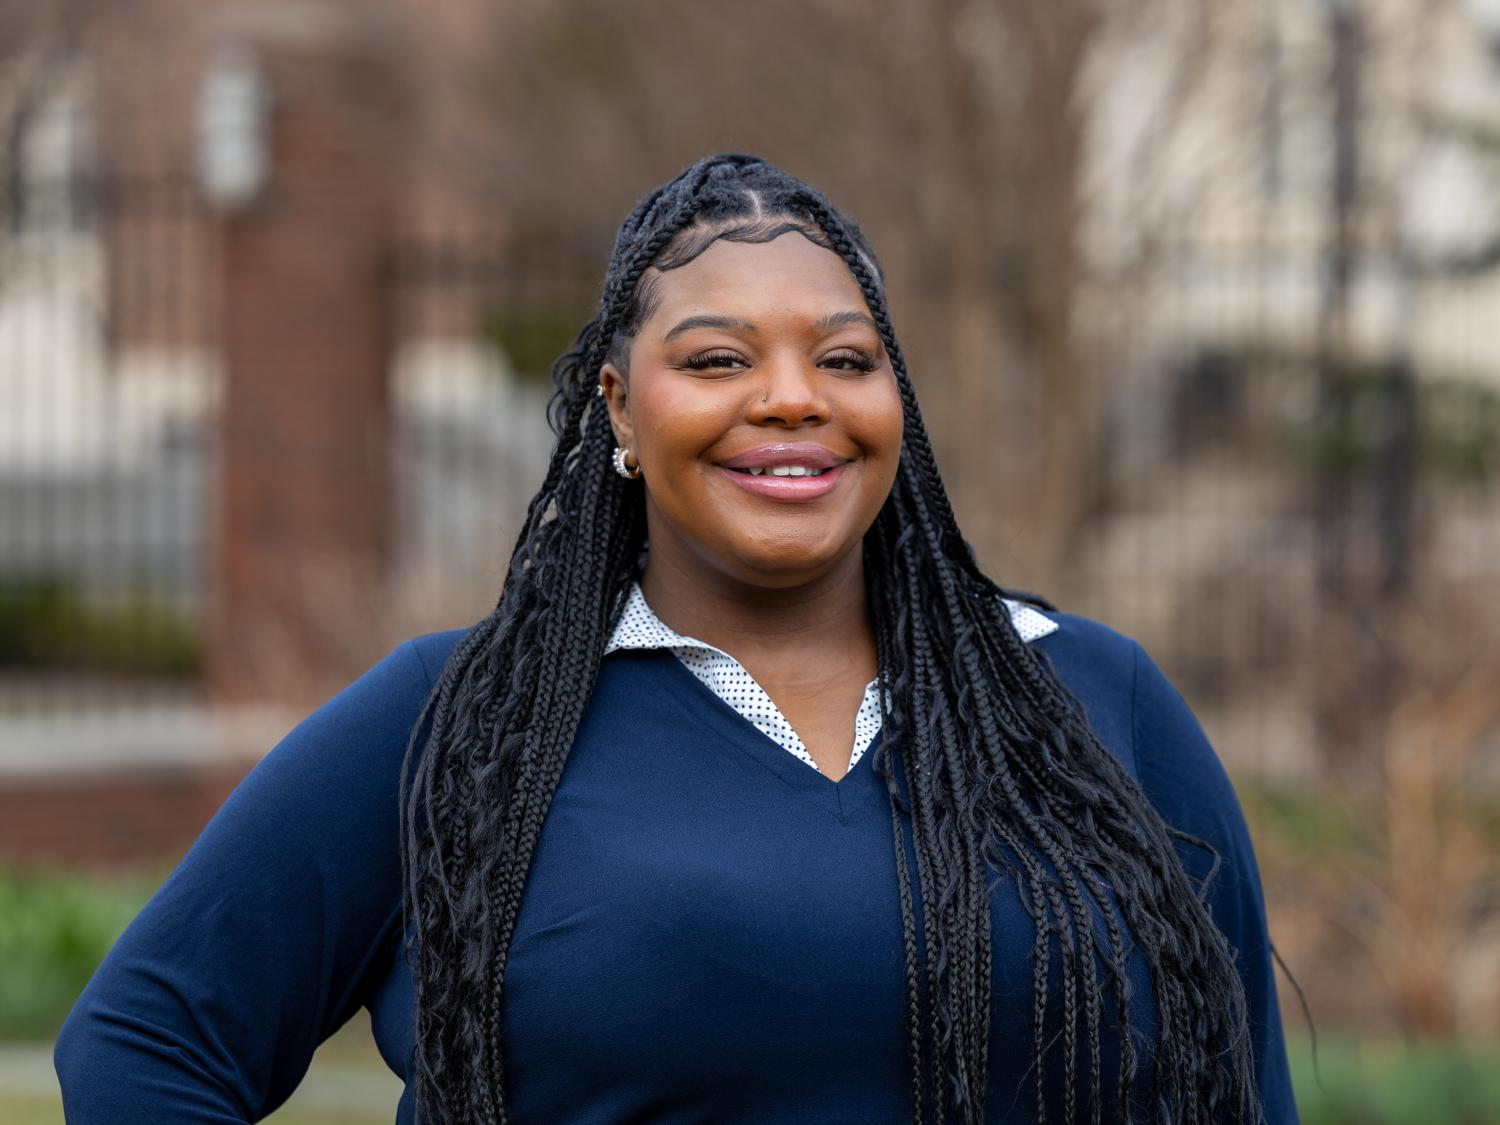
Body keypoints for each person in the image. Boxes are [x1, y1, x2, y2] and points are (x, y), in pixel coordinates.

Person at [55, 154, 1299, 1123]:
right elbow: (147, 1042)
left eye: (845, 358)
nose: (793, 396)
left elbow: (1242, 1085)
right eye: (716, 358)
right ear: (620, 406)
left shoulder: (1091, 696)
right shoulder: (463, 719)